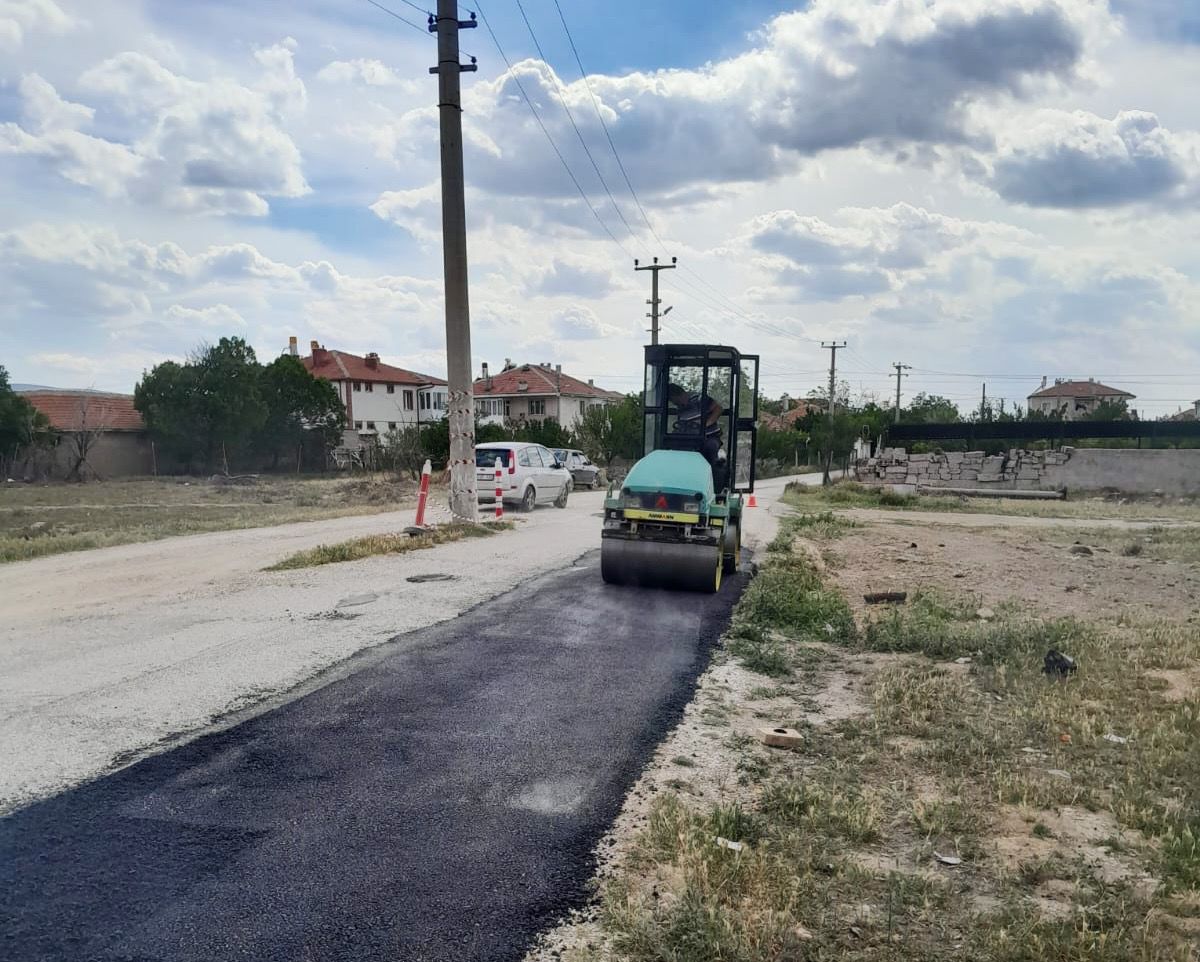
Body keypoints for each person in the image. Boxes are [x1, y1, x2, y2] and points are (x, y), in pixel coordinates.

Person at [668, 382, 725, 469]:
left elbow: (718, 409)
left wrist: (704, 425)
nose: (673, 403)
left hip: (709, 437)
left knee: (710, 447)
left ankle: (713, 472)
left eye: (673, 400)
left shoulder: (699, 399)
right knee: (674, 448)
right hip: (691, 439)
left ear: (678, 395)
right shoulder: (680, 408)